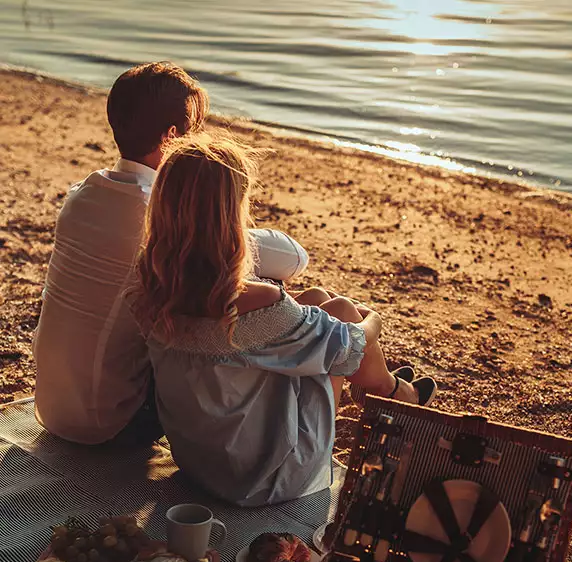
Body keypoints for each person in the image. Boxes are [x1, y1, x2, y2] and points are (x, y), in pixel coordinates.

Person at [130, 134, 437, 506]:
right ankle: (394, 394)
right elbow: (349, 347)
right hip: (263, 479)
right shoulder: (257, 302)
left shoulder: (151, 287)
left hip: (199, 461)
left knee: (317, 302)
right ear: (231, 216)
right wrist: (374, 319)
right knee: (340, 312)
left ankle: (384, 392)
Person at [33, 62, 309, 445]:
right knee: (251, 282)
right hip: (111, 423)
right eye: (194, 131)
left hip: (51, 405)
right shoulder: (158, 217)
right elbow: (295, 259)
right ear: (171, 137)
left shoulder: (83, 194)